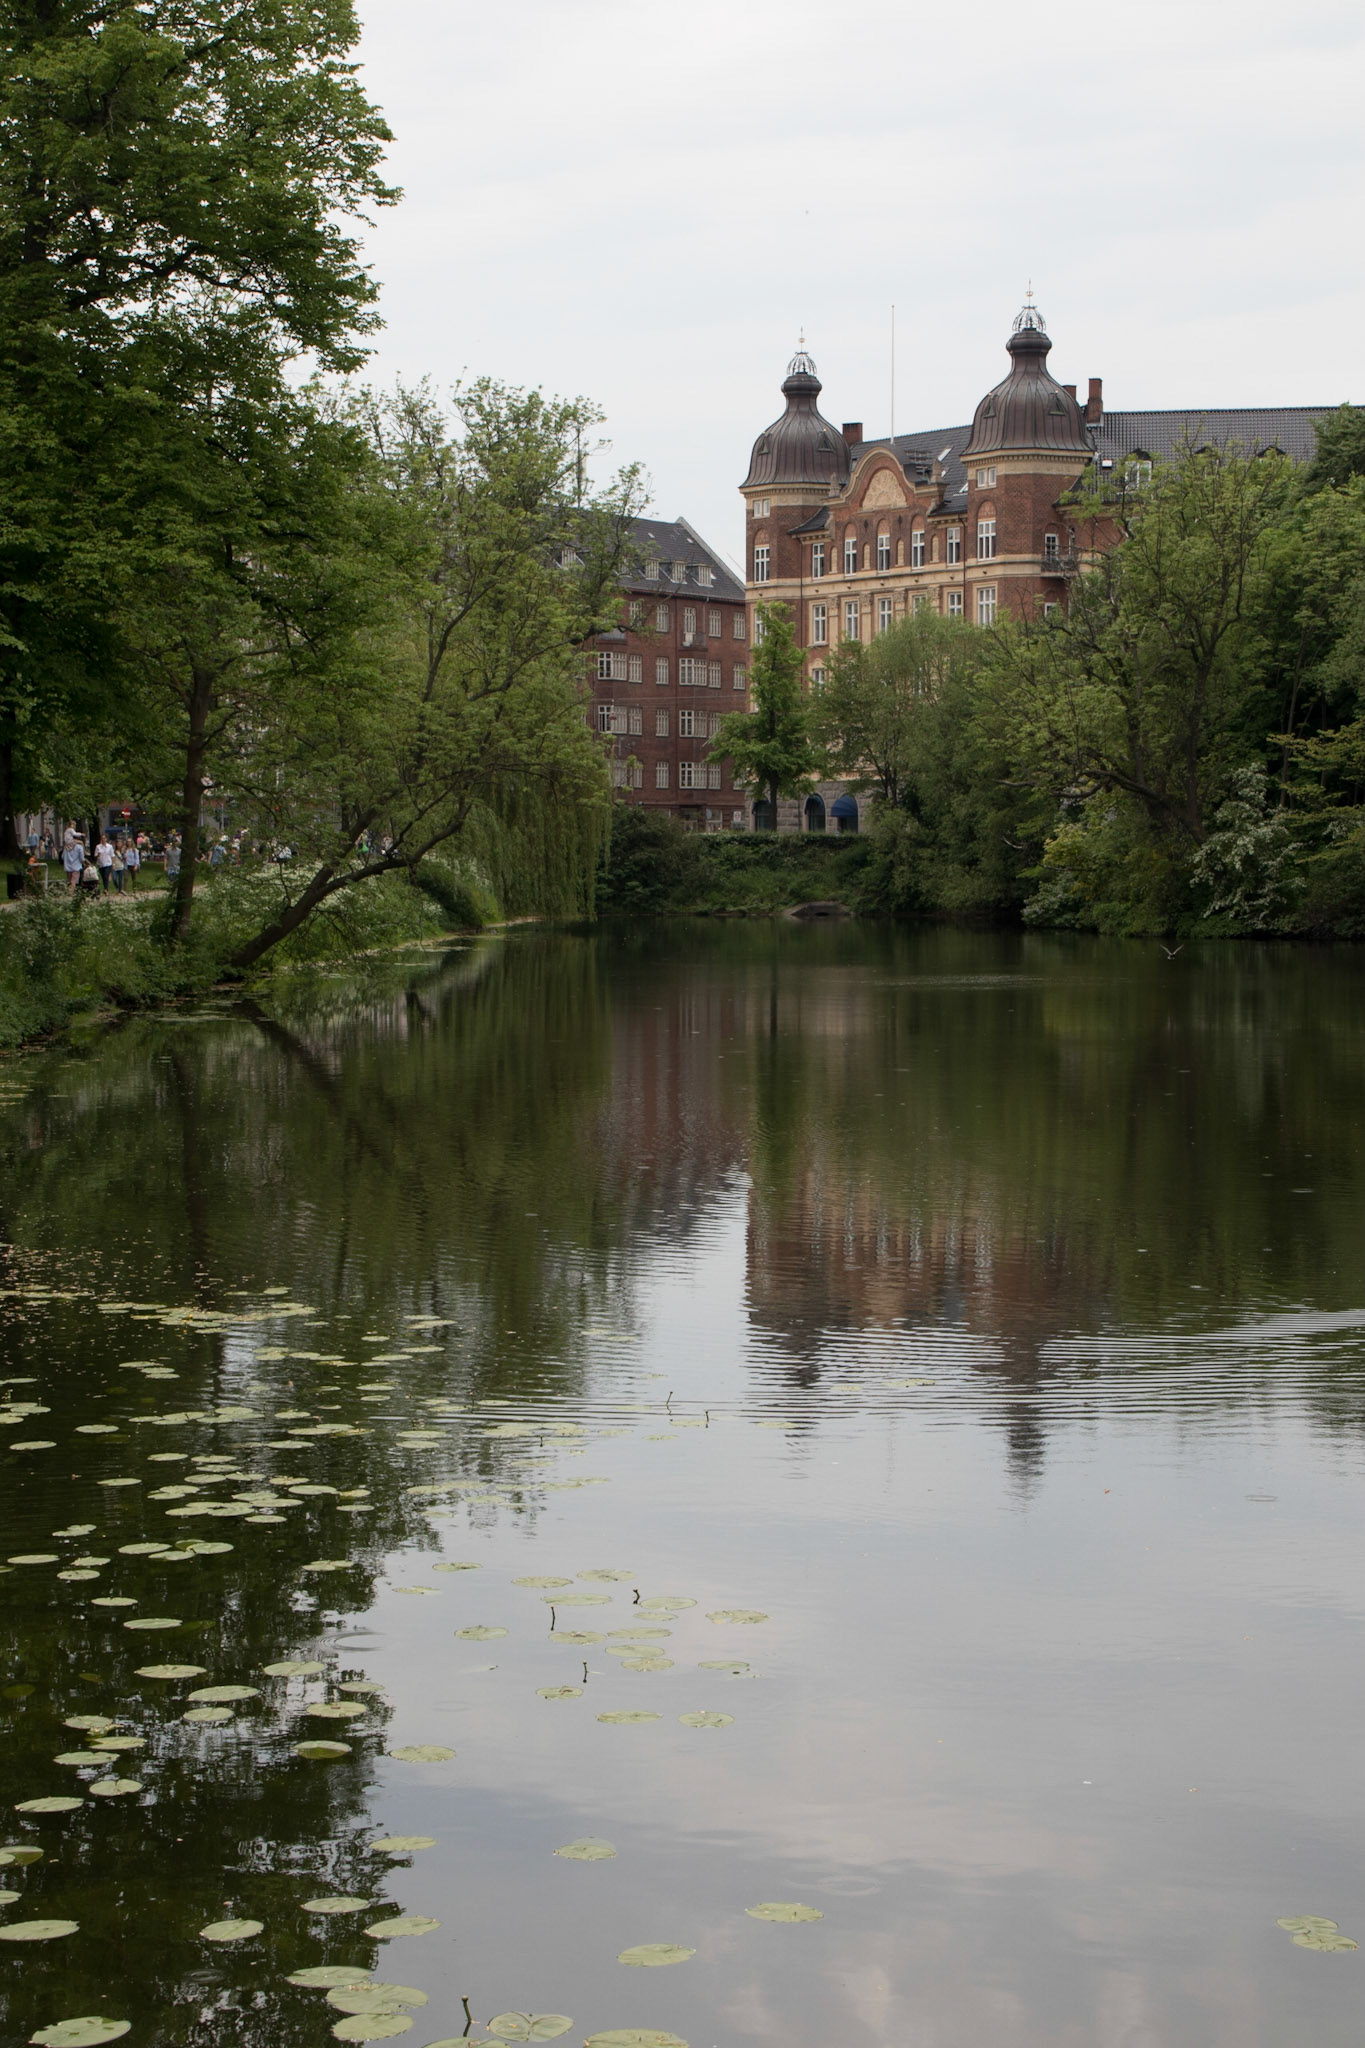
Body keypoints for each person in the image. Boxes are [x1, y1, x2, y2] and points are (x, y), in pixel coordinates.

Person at [61, 825, 84, 896]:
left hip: (68, 867)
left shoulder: (66, 848)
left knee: (69, 881)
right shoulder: (79, 847)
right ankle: (71, 894)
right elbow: (81, 858)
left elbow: (62, 857)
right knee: (74, 881)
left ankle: (69, 892)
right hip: (76, 867)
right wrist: (83, 862)